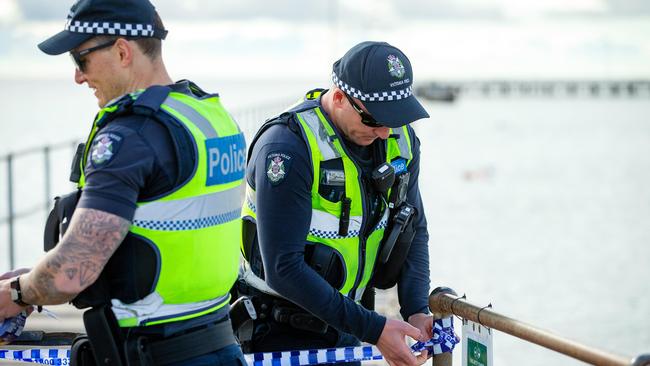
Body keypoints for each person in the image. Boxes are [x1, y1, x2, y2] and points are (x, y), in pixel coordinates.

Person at [0, 0, 247, 364]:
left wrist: (18, 293)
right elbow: (165, 232)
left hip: (154, 352)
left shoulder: (129, 138)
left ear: (121, 50)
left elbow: (73, 271)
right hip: (219, 343)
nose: (78, 77)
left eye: (80, 59)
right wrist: (40, 273)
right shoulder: (210, 118)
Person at [237, 41, 433, 366]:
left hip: (348, 328)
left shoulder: (402, 142)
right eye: (374, 120)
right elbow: (283, 268)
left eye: (394, 119)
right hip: (281, 334)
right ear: (339, 98)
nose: (385, 132)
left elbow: (414, 227)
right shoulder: (287, 147)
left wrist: (415, 310)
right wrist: (375, 329)